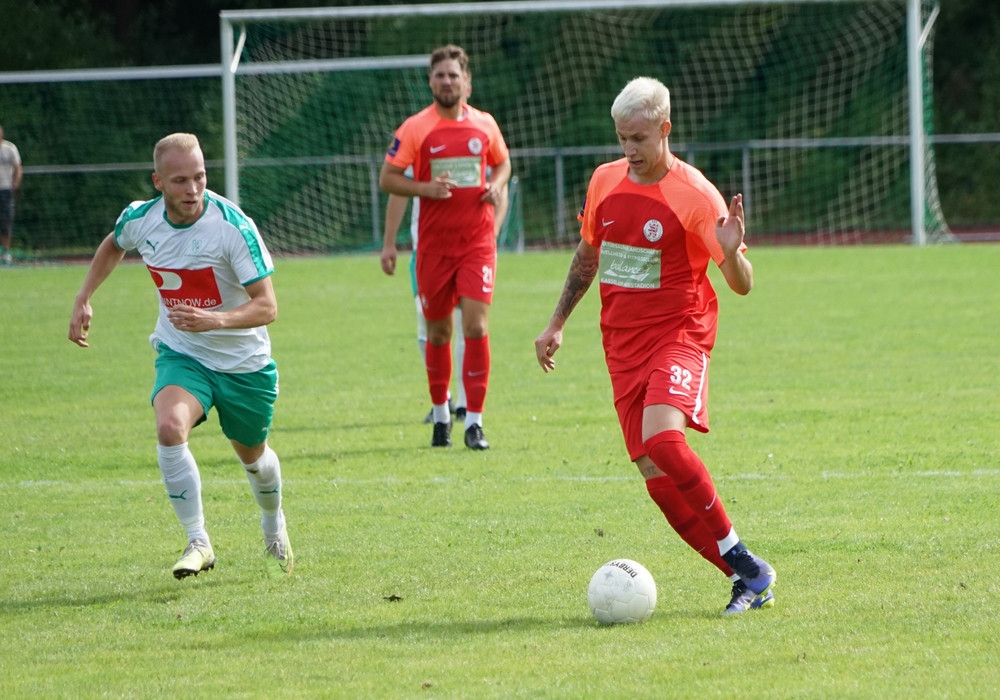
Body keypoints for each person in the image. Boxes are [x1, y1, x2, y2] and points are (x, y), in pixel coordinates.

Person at [533, 77, 776, 615]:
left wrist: (733, 253)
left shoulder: (694, 195)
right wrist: (556, 322)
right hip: (621, 347)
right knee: (655, 476)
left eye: (639, 139)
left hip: (680, 335)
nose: (629, 151)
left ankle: (748, 567)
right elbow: (588, 255)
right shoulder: (605, 181)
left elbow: (742, 284)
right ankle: (747, 573)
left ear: (665, 129)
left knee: (665, 442)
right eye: (621, 139)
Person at [68, 132, 293, 580]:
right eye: (180, 181)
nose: (193, 189)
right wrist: (84, 296)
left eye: (200, 177)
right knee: (170, 427)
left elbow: (267, 307)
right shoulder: (141, 219)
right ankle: (198, 541)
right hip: (182, 353)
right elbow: (114, 244)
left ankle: (273, 523)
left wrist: (216, 320)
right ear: (158, 182)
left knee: (255, 459)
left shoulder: (233, 227)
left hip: (242, 364)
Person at [379, 44, 512, 450]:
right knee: (438, 333)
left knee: (476, 327)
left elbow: (504, 162)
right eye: (440, 75)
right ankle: (441, 416)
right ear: (430, 81)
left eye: (453, 75)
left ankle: (474, 422)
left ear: (465, 82)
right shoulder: (416, 128)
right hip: (434, 248)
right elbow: (388, 178)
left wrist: (497, 183)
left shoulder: (485, 125)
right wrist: (425, 189)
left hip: (476, 243)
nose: (447, 81)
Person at [381, 165, 510, 425]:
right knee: (428, 322)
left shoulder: (479, 135)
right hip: (428, 249)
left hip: (472, 249)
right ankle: (442, 399)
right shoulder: (418, 139)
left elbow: (500, 179)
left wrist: (493, 230)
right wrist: (389, 242)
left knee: (470, 325)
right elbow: (397, 189)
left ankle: (464, 405)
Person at [0, 124, 23, 264]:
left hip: (5, 189)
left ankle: (6, 252)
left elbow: (18, 167)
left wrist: (15, 184)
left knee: (5, 222)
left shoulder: (10, 148)